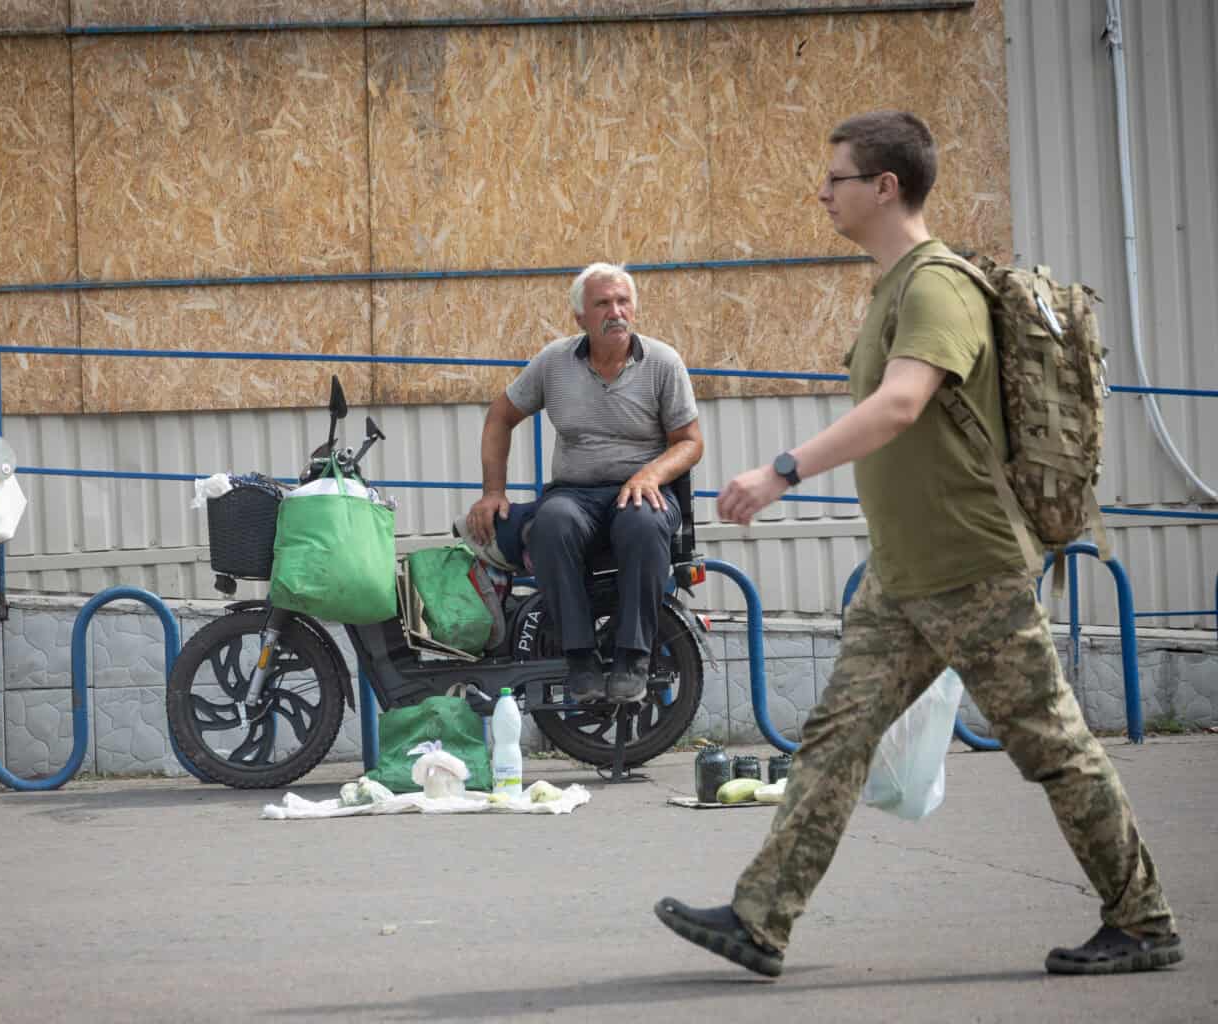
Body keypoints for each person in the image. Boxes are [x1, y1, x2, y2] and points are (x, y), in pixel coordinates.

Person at [654, 110, 1181, 977]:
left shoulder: (937, 286)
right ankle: (760, 920)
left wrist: (782, 470)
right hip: (905, 577)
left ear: (885, 187)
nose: (821, 193)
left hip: (974, 570)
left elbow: (901, 404)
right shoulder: (891, 288)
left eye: (837, 179)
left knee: (1053, 748)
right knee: (834, 741)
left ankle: (1146, 918)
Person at [463, 263, 703, 703]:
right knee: (552, 522)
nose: (615, 312)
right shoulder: (554, 362)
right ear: (580, 318)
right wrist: (493, 491)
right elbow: (500, 417)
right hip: (576, 495)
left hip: (643, 490)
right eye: (602, 304)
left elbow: (689, 443)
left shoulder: (663, 362)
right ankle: (580, 659)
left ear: (634, 308)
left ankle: (633, 657)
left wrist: (650, 474)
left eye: (622, 301)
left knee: (642, 522)